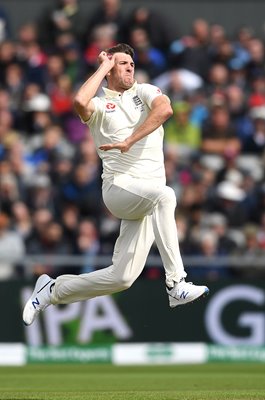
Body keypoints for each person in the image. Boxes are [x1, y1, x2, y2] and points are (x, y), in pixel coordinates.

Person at [23, 43, 209, 326]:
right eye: (122, 64)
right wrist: (103, 66)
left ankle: (51, 290)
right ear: (110, 68)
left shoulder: (144, 91)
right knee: (167, 196)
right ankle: (176, 284)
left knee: (122, 277)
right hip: (119, 189)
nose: (129, 67)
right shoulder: (100, 105)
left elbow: (165, 109)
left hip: (147, 198)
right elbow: (79, 103)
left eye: (131, 64)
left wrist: (129, 141)